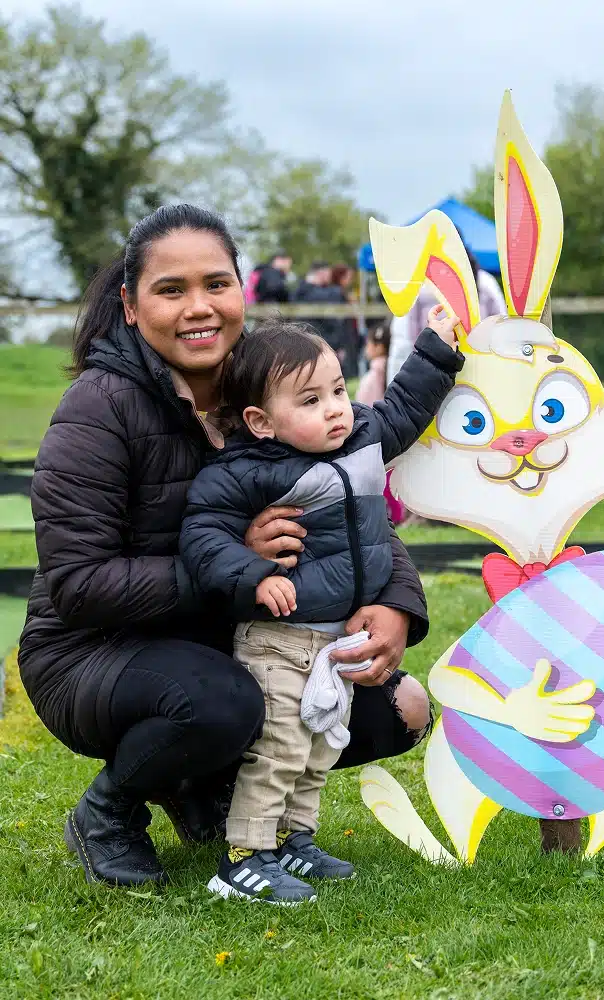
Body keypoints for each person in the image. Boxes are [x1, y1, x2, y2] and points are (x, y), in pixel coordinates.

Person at [19, 204, 435, 889]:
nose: (199, 308)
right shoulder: (98, 410)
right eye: (171, 290)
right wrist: (237, 564)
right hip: (93, 652)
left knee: (401, 708)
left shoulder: (274, 384)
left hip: (234, 641)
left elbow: (354, 497)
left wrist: (395, 602)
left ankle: (204, 789)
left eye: (216, 283)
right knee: (225, 703)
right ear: (130, 305)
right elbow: (79, 585)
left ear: (242, 289)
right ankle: (111, 811)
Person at [180, 312, 462, 903]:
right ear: (260, 421)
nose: (335, 408)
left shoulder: (359, 437)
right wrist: (252, 573)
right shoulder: (245, 473)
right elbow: (203, 535)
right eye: (309, 400)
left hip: (332, 639)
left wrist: (436, 349)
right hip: (276, 638)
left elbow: (405, 408)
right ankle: (246, 857)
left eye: (337, 389)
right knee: (279, 746)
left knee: (319, 742)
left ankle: (294, 841)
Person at [386, 238, 505, 386]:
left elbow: (501, 329)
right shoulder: (421, 286)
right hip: (452, 375)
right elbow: (406, 340)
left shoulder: (485, 284)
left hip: (446, 374)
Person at [356, 324, 407, 525]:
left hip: (374, 434)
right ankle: (398, 515)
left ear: (377, 346)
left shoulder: (371, 378)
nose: (366, 347)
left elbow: (363, 406)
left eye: (368, 343)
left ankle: (392, 517)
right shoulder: (396, 369)